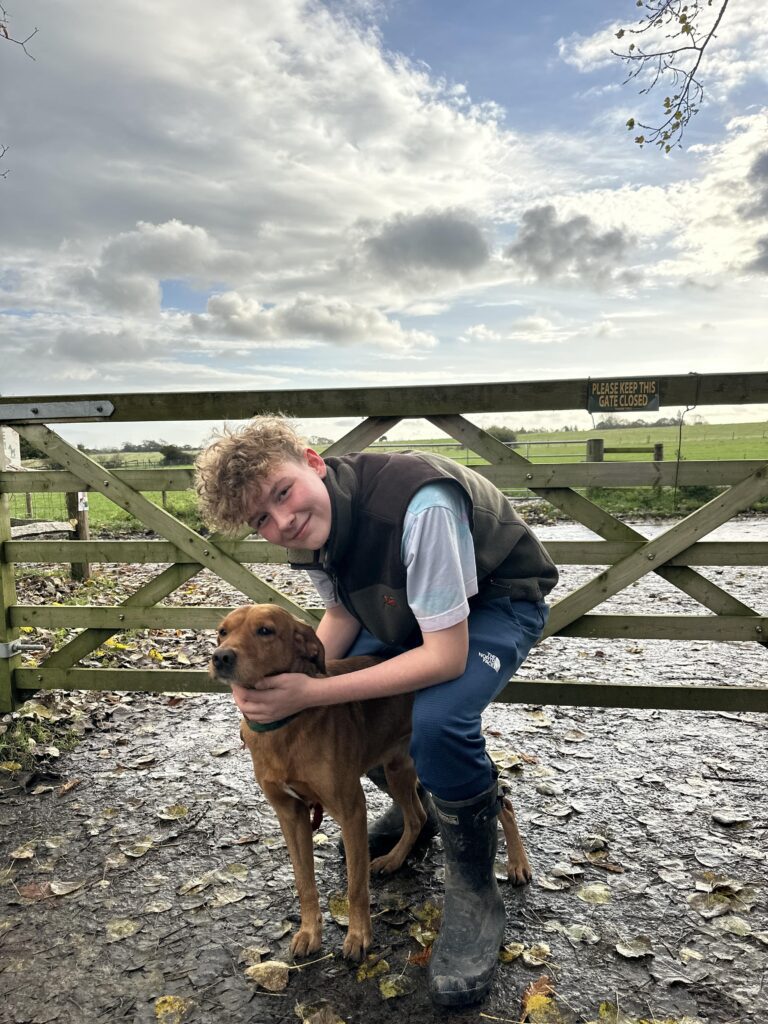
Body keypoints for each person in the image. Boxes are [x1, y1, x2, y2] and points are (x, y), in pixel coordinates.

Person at [195, 416, 558, 1008]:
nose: (281, 521)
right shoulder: (311, 532)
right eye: (261, 518)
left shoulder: (420, 507)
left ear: (313, 462)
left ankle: (471, 892)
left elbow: (444, 655)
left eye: (282, 493)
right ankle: (412, 807)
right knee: (344, 716)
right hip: (411, 609)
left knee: (436, 722)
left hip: (494, 603)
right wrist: (280, 695)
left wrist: (311, 693)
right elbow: (339, 619)